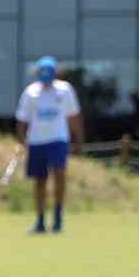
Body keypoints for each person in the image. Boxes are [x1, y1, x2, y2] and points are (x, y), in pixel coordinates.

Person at [14, 56, 83, 234]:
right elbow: (22, 119)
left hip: (58, 139)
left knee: (59, 175)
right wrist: (22, 141)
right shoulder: (30, 92)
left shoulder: (64, 90)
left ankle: (58, 217)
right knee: (39, 181)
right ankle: (40, 221)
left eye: (49, 72)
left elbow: (73, 116)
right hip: (36, 141)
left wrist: (78, 140)